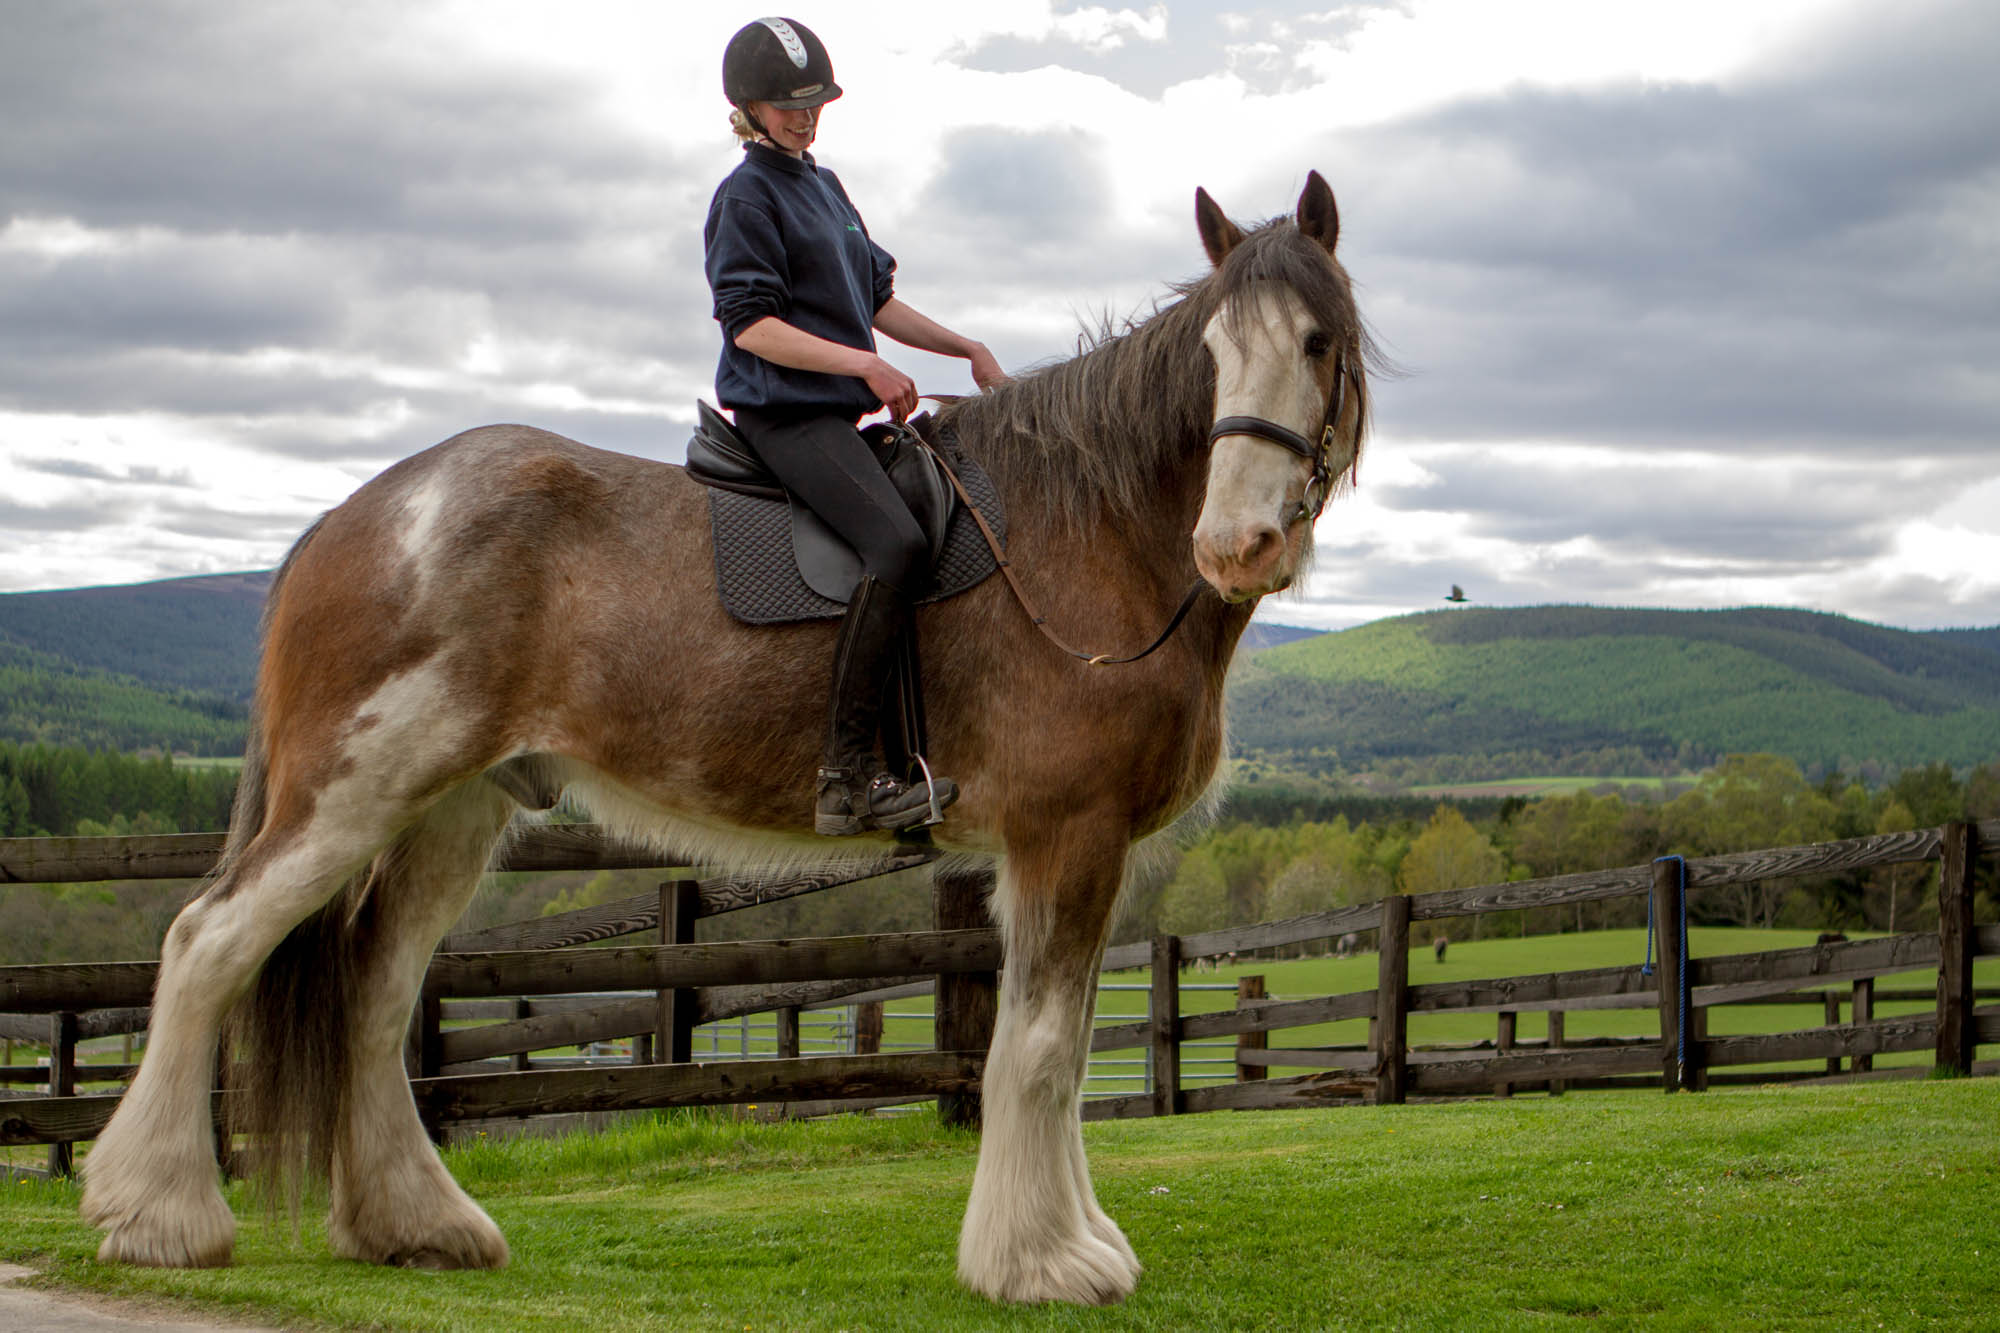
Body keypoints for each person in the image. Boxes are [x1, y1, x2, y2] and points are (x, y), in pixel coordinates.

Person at [704, 17, 1006, 836]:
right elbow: (750, 326)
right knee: (897, 544)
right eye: (788, 104)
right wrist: (864, 366)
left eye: (816, 101)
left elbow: (876, 302)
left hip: (836, 409)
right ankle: (846, 776)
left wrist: (965, 345)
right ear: (750, 107)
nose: (806, 116)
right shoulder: (745, 196)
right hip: (784, 415)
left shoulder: (825, 187)